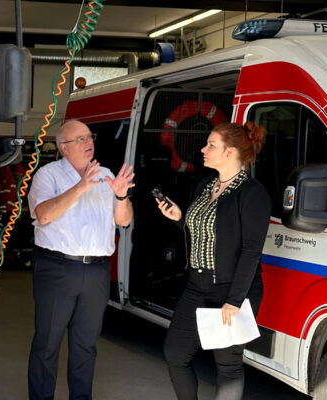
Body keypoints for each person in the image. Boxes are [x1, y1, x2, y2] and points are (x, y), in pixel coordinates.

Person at [156, 122, 271, 400]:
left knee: (228, 367)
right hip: (197, 286)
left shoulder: (252, 193)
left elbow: (251, 251)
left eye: (211, 145)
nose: (203, 150)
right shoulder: (206, 185)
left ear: (230, 152)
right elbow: (205, 235)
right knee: (175, 354)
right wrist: (180, 218)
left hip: (230, 291)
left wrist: (235, 301)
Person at [27, 119, 135, 400]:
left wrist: (121, 196)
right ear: (64, 147)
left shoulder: (106, 174)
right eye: (81, 139)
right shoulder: (47, 175)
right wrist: (80, 186)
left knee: (85, 345)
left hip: (97, 271)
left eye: (90, 137)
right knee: (47, 343)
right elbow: (44, 215)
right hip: (57, 268)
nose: (89, 142)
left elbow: (124, 220)